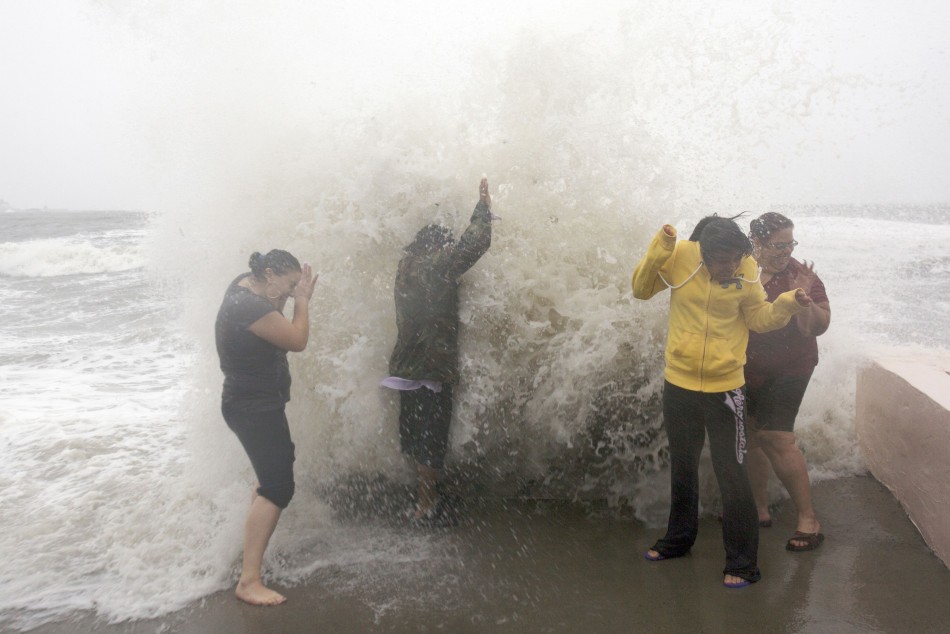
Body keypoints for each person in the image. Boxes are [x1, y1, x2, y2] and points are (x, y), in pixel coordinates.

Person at [631, 215, 813, 588]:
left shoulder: (745, 267)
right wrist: (661, 246)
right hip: (679, 384)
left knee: (733, 474)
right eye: (720, 261)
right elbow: (640, 289)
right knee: (683, 468)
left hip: (726, 389)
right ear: (703, 253)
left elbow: (760, 319)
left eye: (734, 259)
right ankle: (678, 540)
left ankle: (743, 562)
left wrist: (789, 302)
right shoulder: (681, 257)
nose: (728, 267)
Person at [382, 177, 493, 525]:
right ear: (439, 246)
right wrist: (483, 209)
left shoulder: (406, 267)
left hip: (406, 369)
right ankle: (426, 506)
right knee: (431, 440)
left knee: (416, 436)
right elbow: (473, 244)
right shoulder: (437, 265)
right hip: (431, 371)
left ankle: (421, 499)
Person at [214, 249, 318, 606]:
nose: (291, 292)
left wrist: (287, 295)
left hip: (250, 403)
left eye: (294, 288)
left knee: (270, 477)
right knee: (278, 486)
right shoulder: (249, 306)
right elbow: (297, 340)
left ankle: (250, 557)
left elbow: (273, 324)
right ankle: (249, 581)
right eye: (288, 284)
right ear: (269, 273)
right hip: (253, 407)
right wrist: (303, 301)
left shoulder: (246, 288)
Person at [745, 212, 831, 552]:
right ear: (757, 242)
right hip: (747, 367)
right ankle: (758, 508)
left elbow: (817, 327)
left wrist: (803, 300)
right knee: (751, 436)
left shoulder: (802, 275)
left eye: (790, 244)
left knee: (776, 437)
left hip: (792, 367)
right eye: (778, 245)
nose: (786, 252)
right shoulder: (741, 269)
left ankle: (808, 519)